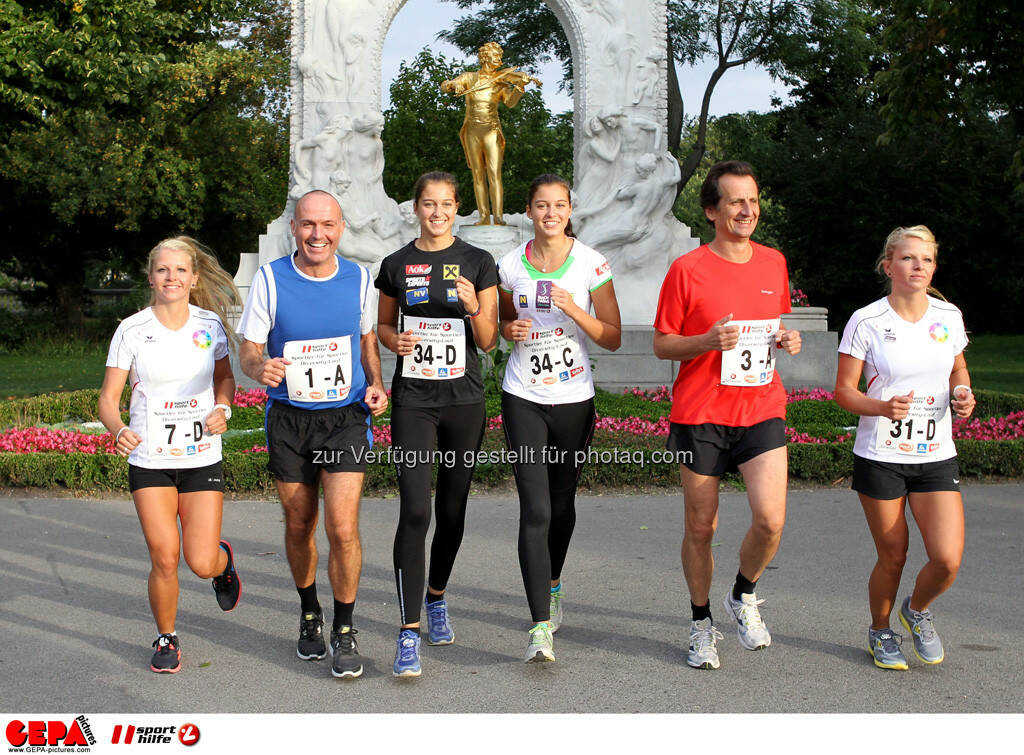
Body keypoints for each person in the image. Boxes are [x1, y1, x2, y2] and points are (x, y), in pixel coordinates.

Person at [653, 160, 802, 670]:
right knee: (700, 527)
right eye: (736, 201)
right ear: (712, 210)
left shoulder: (773, 263)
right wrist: (705, 341)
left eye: (753, 200)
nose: (747, 209)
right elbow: (662, 344)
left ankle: (743, 594)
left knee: (771, 518)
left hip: (760, 405)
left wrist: (787, 338)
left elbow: (773, 327)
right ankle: (700, 623)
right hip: (702, 414)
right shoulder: (687, 269)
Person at [238, 190, 388, 679]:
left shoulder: (361, 279)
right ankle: (309, 613)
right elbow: (250, 349)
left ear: (340, 227)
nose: (317, 234)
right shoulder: (270, 280)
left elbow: (367, 339)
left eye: (326, 224)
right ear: (294, 228)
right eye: (307, 225)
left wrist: (377, 385)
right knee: (299, 523)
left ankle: (344, 629)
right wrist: (260, 367)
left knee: (342, 528)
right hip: (289, 417)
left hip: (344, 415)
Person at [98, 236, 243, 674]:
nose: (172, 278)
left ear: (194, 277)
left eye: (180, 270)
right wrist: (118, 429)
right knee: (164, 556)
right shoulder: (132, 330)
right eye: (163, 270)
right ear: (151, 277)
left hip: (200, 456)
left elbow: (225, 379)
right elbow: (107, 399)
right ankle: (166, 636)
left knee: (198, 561)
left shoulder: (209, 325)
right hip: (150, 461)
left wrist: (223, 407)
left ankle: (223, 563)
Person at [375, 172, 499, 677]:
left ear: (457, 208)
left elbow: (489, 339)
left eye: (446, 204)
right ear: (416, 208)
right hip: (414, 402)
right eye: (429, 203)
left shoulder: (477, 261)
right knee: (415, 511)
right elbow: (384, 324)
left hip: (464, 400)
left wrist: (472, 307)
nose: (437, 212)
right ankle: (407, 634)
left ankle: (437, 597)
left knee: (451, 509)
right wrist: (393, 342)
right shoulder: (396, 264)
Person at [835, 225, 975, 670]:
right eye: (910, 258)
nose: (919, 266)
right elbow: (844, 392)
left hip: (935, 453)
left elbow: (959, 371)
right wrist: (881, 406)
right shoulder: (867, 320)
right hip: (882, 455)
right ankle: (880, 631)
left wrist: (963, 394)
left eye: (927, 259)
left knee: (948, 559)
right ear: (888, 265)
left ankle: (916, 610)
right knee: (893, 554)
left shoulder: (948, 315)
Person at [498, 174, 622, 662]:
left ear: (570, 210)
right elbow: (504, 326)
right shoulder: (510, 265)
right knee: (536, 509)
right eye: (541, 205)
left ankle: (552, 582)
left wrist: (576, 310)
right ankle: (539, 627)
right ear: (529, 210)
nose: (551, 213)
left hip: (573, 397)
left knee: (562, 504)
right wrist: (511, 327)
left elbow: (611, 336)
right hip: (523, 394)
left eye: (559, 205)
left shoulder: (591, 263)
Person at [440, 42, 540, 226]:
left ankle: (498, 216)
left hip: (491, 130)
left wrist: (520, 87)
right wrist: (453, 85)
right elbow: (444, 86)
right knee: (477, 174)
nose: (500, 61)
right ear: (485, 57)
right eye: (496, 57)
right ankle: (484, 216)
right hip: (472, 130)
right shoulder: (469, 78)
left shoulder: (501, 82)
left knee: (495, 173)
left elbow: (510, 103)